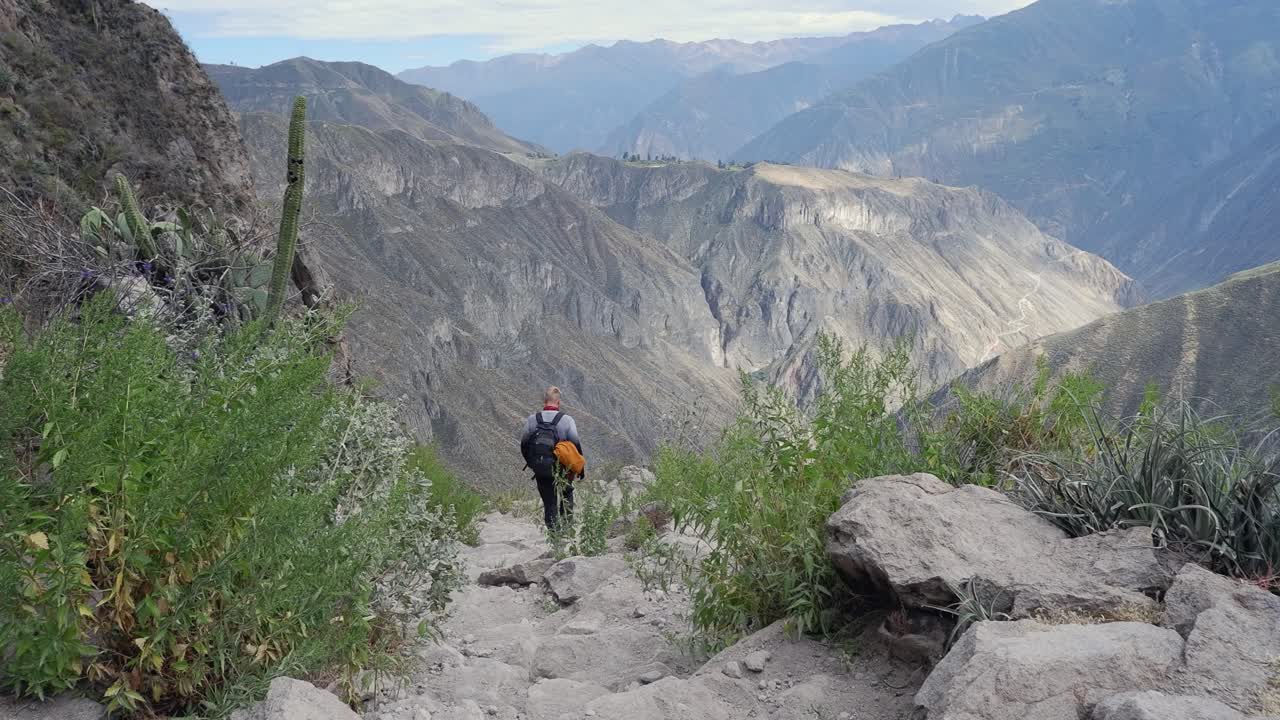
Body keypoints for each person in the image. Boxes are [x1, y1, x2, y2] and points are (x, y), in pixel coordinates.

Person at [519, 386, 583, 529]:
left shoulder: (532, 420)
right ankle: (566, 531)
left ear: (544, 401)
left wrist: (533, 464)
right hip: (563, 469)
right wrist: (579, 470)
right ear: (558, 403)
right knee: (566, 496)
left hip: (541, 468)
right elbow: (576, 446)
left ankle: (554, 536)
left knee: (549, 503)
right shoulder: (567, 420)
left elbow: (524, 446)